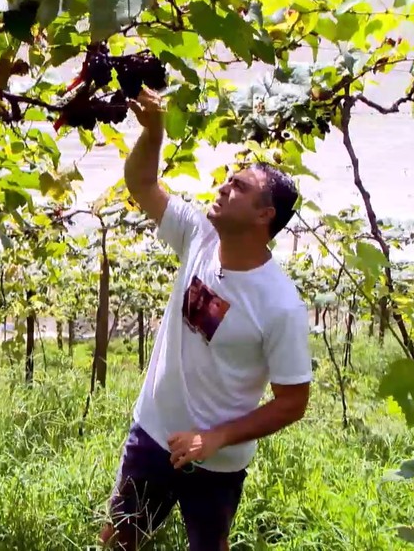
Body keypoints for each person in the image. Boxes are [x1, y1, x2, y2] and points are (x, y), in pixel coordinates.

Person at [99, 88, 313, 550]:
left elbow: (293, 401)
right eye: (227, 180)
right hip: (154, 431)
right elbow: (141, 184)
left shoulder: (280, 305)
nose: (222, 187)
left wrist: (215, 438)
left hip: (217, 459)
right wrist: (153, 131)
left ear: (265, 215)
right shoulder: (198, 235)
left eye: (239, 187)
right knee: (119, 540)